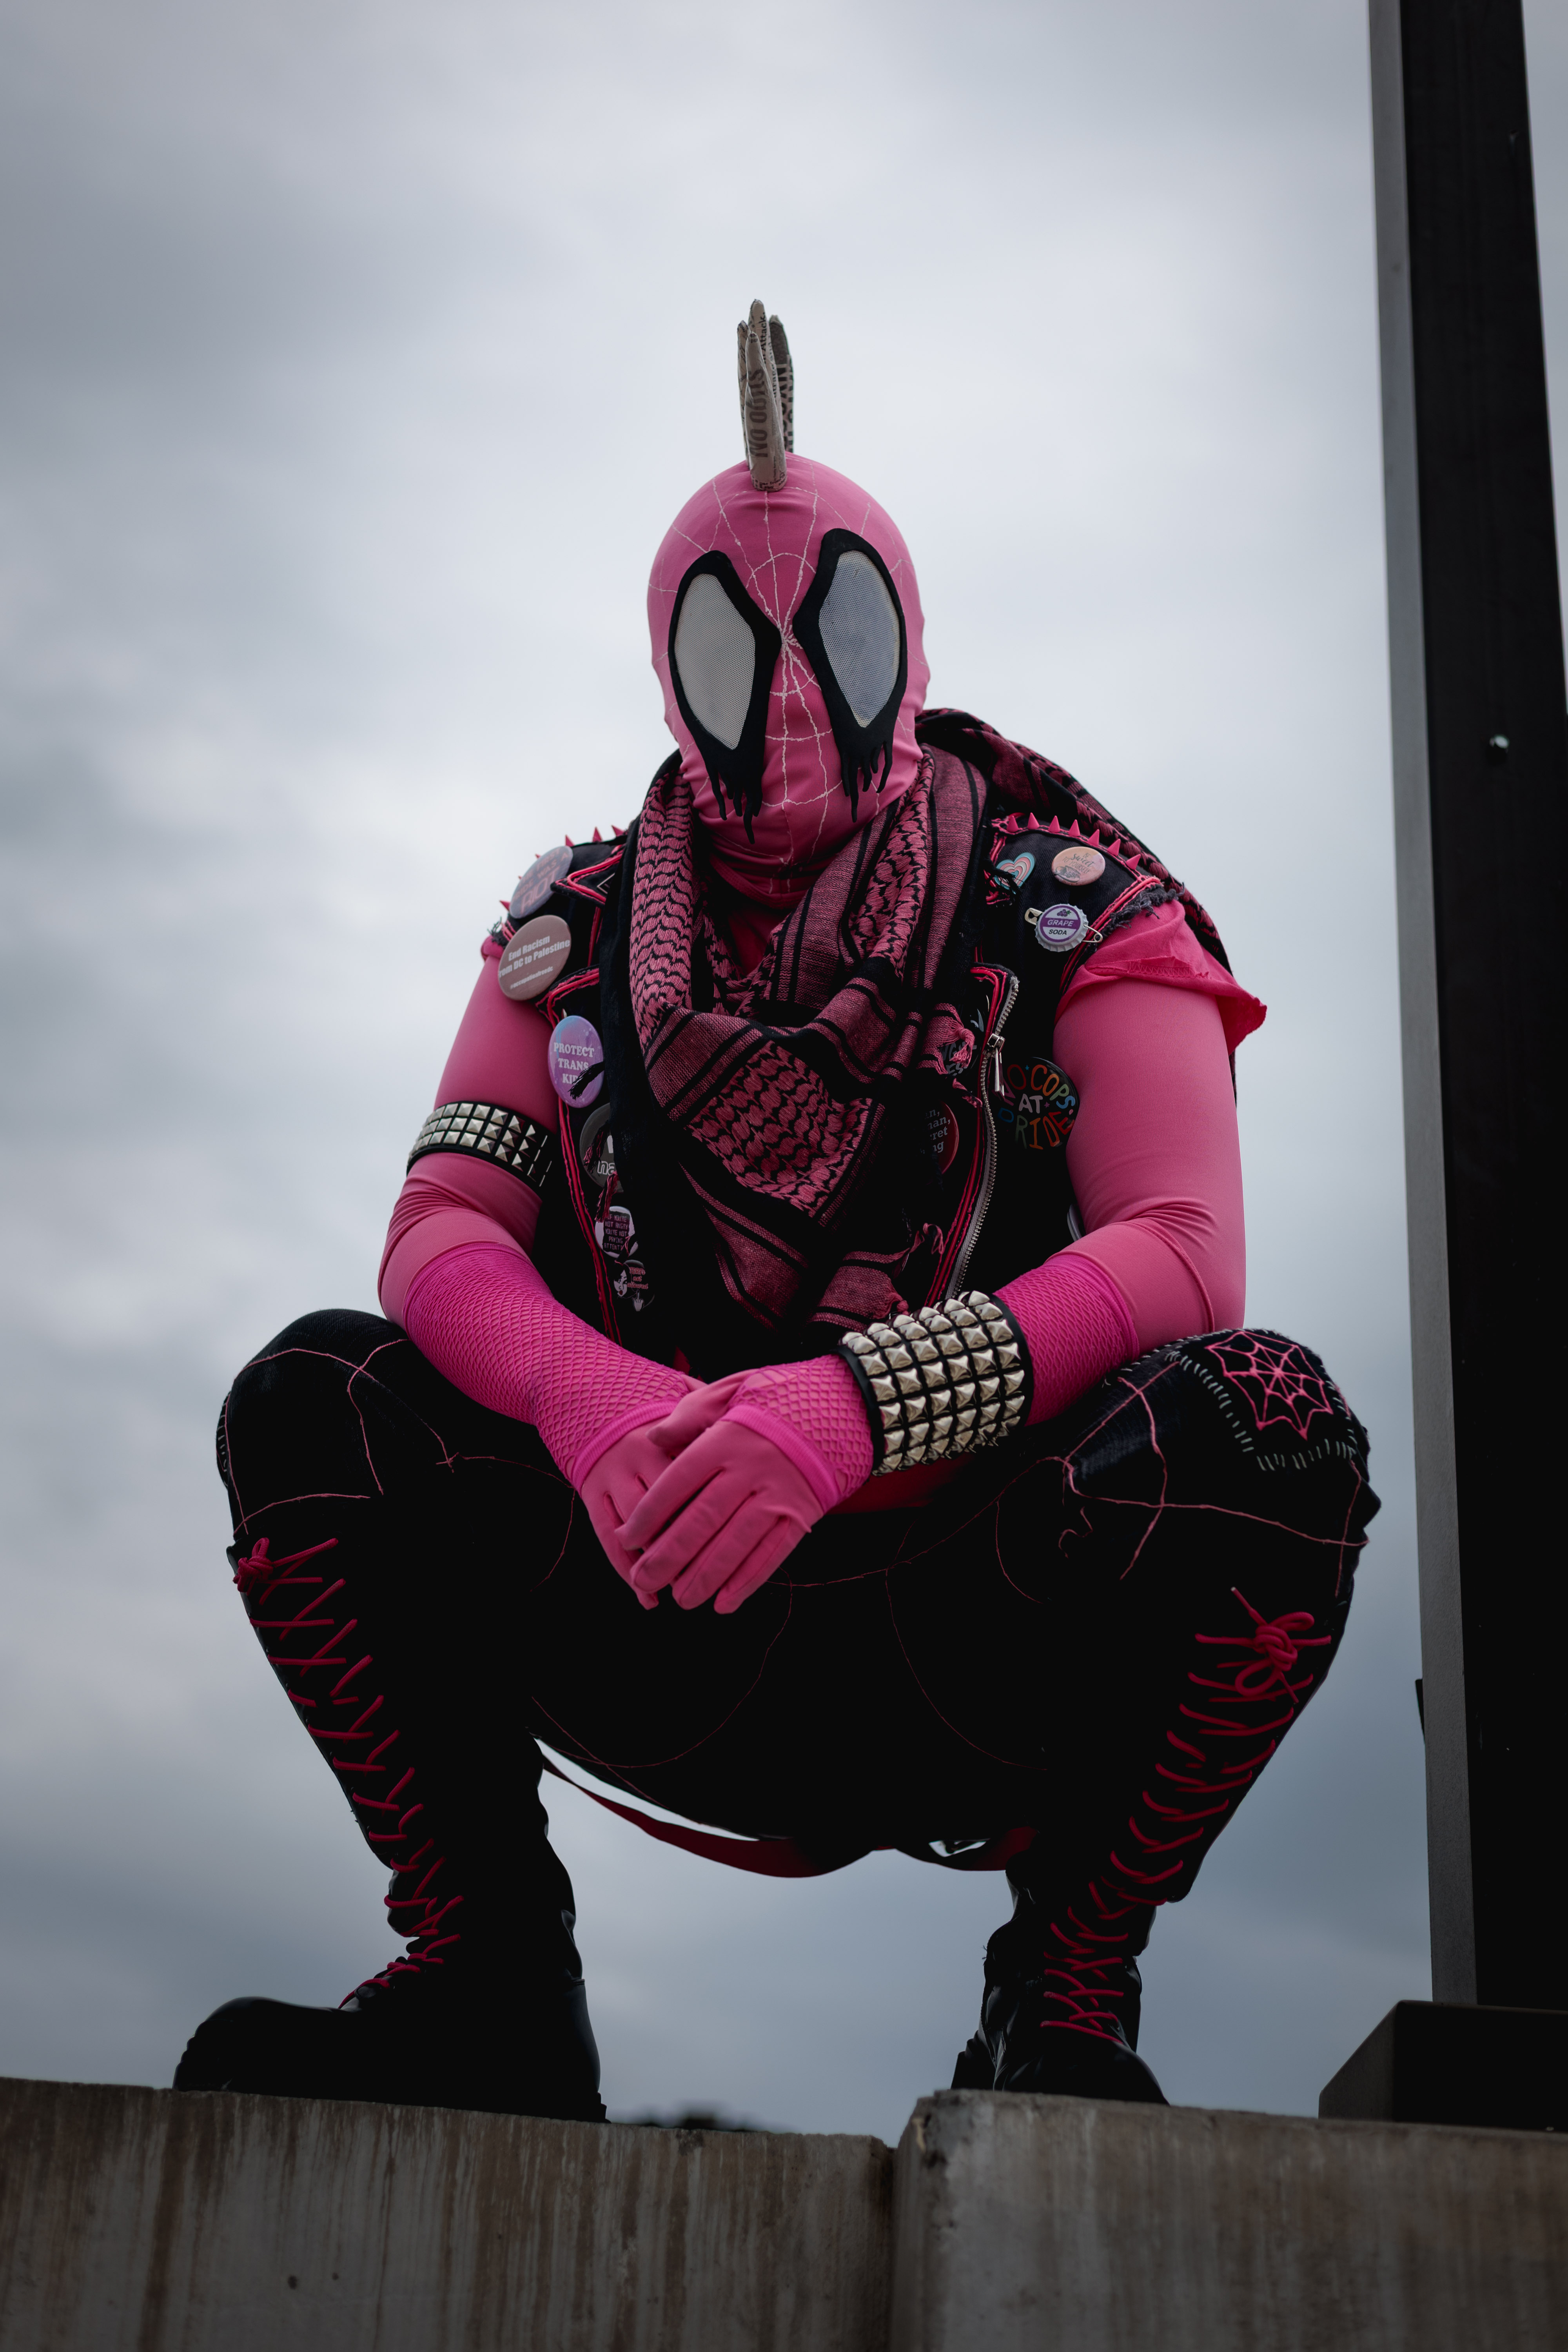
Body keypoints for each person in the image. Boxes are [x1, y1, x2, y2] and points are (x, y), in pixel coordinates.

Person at [175, 306, 1376, 2120]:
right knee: (309, 1404)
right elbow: (439, 1235)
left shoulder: (1072, 908)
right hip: (653, 1572)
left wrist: (852, 1411)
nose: (796, 698)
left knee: (1271, 1434)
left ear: (906, 632)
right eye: (739, 650)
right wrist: (594, 1403)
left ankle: (1063, 1988)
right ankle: (485, 1964)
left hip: (975, 1595)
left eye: (842, 632)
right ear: (671, 669)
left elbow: (1185, 1258)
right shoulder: (570, 928)